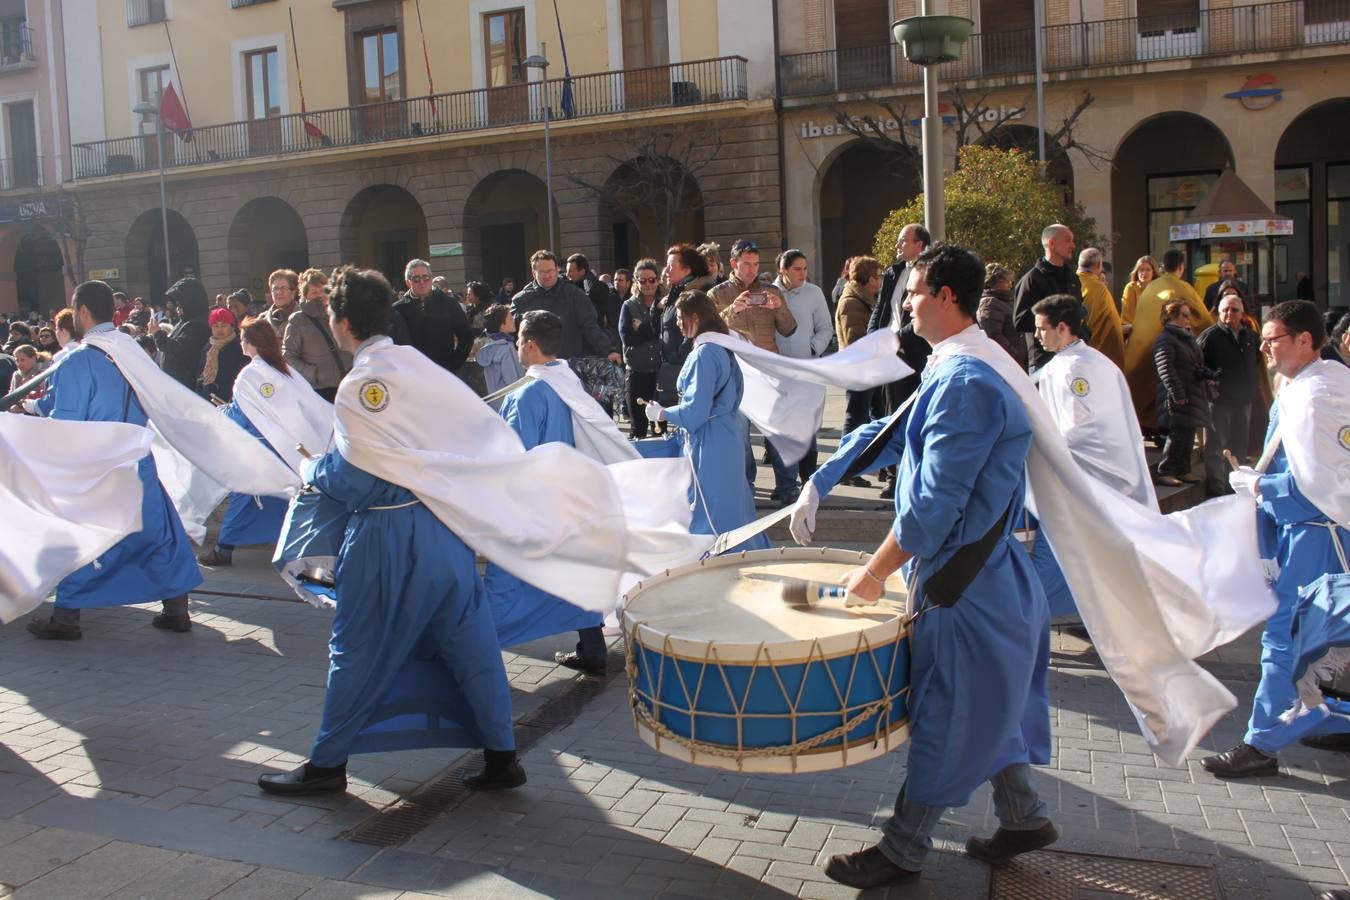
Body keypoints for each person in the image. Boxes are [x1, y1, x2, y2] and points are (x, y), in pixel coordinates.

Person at [818, 244, 1054, 888]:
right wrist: (827, 473)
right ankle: (1025, 818)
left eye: (915, 293)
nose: (906, 305)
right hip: (992, 582)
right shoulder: (971, 366)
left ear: (948, 296)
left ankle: (903, 850)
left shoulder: (965, 382)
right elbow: (896, 433)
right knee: (986, 706)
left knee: (946, 716)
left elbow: (930, 513)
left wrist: (874, 573)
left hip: (966, 589)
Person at [257, 266, 523, 796]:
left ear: (342, 321)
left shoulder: (360, 384)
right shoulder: (420, 368)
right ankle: (502, 756)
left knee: (355, 647)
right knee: (471, 645)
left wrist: (312, 469)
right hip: (443, 530)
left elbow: (354, 480)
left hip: (385, 535)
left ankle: (328, 765)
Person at [1201, 301, 1350, 778]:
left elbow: (1318, 485)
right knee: (1321, 639)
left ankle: (1262, 742)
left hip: (1317, 535)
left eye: (1273, 338)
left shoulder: (1312, 395)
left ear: (1305, 340)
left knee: (1286, 640)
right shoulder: (1328, 383)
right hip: (1321, 531)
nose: (1264, 346)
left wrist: (1260, 487)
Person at [25, 281, 201, 640]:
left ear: (83, 312)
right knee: (158, 532)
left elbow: (67, 422)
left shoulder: (79, 358)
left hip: (99, 463)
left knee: (78, 536)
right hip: (137, 456)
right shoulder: (130, 348)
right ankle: (177, 608)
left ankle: (67, 616)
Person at [485, 310, 609, 675]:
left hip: (534, 501)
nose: (517, 345)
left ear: (531, 344)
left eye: (520, 339)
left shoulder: (526, 395)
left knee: (504, 578)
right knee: (574, 571)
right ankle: (592, 646)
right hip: (569, 496)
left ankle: (478, 650)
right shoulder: (568, 380)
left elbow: (515, 454)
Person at [1029, 294, 1157, 621]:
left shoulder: (1076, 369)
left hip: (1089, 480)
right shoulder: (1087, 361)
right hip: (1095, 479)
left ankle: (1029, 615)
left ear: (1062, 327)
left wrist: (1040, 447)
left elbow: (1080, 429)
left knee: (1059, 552)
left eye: (1042, 329)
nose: (1037, 335)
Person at [644, 291, 770, 552]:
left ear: (696, 318)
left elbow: (694, 413)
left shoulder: (705, 353)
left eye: (680, 318)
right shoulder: (721, 347)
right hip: (726, 436)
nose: (677, 323)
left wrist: (662, 413)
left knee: (711, 512)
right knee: (735, 509)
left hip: (710, 442)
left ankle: (715, 564)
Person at [198, 316, 320, 567]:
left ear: (251, 343)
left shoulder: (251, 373)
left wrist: (220, 413)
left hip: (259, 449)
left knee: (244, 495)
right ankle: (292, 547)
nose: (241, 343)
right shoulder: (283, 370)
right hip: (284, 447)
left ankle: (224, 549)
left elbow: (241, 415)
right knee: (283, 500)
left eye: (243, 339)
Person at [1123, 249, 1214, 429]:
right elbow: (1203, 320)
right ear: (1181, 267)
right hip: (1161, 350)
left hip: (1135, 352)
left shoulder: (1152, 286)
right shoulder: (1182, 287)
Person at [774, 249, 833, 482]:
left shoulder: (814, 293)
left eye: (805, 268)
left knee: (807, 427)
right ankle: (785, 483)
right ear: (783, 270)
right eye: (797, 269)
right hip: (776, 370)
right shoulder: (768, 292)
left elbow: (826, 328)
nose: (803, 273)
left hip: (807, 370)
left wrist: (812, 349)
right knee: (781, 428)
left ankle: (809, 478)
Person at [1198, 294, 1261, 497]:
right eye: (1225, 309)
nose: (1229, 314)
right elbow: (1197, 366)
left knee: (1239, 445)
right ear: (1218, 311)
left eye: (1234, 310)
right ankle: (1216, 487)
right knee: (1216, 445)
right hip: (1219, 401)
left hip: (1244, 400)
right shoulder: (1210, 336)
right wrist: (1212, 382)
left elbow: (1257, 364)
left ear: (1241, 313)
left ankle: (1237, 485)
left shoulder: (1250, 336)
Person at [511, 251, 619, 364]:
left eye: (550, 271)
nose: (547, 275)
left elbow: (590, 327)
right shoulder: (521, 300)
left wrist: (608, 351)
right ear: (534, 273)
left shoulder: (575, 295)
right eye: (542, 272)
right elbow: (512, 334)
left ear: (557, 270)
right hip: (535, 368)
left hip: (568, 364)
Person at [1151, 300, 1212, 487]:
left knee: (1188, 432)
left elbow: (1193, 363)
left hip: (1191, 390)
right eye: (1184, 315)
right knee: (1178, 433)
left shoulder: (1186, 337)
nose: (1188, 319)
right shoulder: (1166, 338)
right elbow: (1165, 369)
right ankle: (1165, 470)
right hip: (1177, 394)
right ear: (1172, 317)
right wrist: (1178, 393)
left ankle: (1183, 469)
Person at [1012, 224, 1082, 371]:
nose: (1073, 246)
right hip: (1044, 361)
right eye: (1068, 240)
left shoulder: (1072, 278)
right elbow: (1020, 320)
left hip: (1074, 358)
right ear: (1051, 243)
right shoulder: (1032, 279)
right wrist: (1053, 321)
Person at [389, 259, 474, 374]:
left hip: (445, 371)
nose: (422, 282)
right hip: (412, 374)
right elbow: (392, 344)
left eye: (426, 277)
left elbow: (466, 336)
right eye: (416, 279)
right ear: (408, 282)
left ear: (431, 278)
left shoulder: (449, 303)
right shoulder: (398, 309)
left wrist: (454, 364)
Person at [283, 268, 351, 402]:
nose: (320, 295)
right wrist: (313, 374)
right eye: (314, 292)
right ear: (305, 295)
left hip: (349, 383)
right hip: (321, 390)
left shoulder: (340, 313)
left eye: (323, 290)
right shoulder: (298, 320)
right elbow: (288, 355)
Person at [836, 255, 884, 442]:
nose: (880, 279)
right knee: (855, 418)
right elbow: (855, 340)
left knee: (873, 415)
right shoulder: (852, 302)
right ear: (870, 279)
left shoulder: (863, 299)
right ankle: (847, 467)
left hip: (867, 368)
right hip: (858, 369)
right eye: (878, 275)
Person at [619, 259, 666, 439]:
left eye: (651, 280)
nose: (647, 284)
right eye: (642, 280)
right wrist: (653, 329)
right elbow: (627, 338)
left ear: (658, 280)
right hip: (636, 373)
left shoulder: (665, 303)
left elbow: (670, 333)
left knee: (660, 428)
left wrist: (643, 327)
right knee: (637, 428)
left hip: (661, 373)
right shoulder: (629, 306)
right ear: (636, 282)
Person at [160, 277, 213, 391]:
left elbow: (178, 351)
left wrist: (158, 335)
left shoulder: (198, 325)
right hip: (176, 386)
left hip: (186, 387)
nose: (177, 308)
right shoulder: (185, 321)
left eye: (180, 303)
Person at [1076, 248, 1126, 370]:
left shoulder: (1075, 281)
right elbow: (1093, 322)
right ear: (1099, 265)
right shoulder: (1097, 288)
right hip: (1101, 356)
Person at [977, 262, 1026, 369]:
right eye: (1006, 281)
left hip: (1013, 363)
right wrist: (1014, 354)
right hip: (1006, 365)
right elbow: (992, 336)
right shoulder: (989, 303)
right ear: (995, 282)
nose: (1010, 284)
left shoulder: (1001, 302)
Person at [566, 252, 620, 346]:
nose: (567, 274)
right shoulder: (569, 286)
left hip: (593, 341)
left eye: (571, 271)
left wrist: (589, 279)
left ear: (582, 271)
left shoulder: (598, 288)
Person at [196, 307, 247, 404]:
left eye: (223, 326)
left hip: (229, 401)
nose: (219, 330)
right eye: (215, 326)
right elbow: (200, 374)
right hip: (208, 400)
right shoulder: (208, 348)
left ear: (232, 327)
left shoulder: (240, 347)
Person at [476, 304, 525, 394]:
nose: (513, 320)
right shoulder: (506, 350)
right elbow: (513, 383)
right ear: (502, 326)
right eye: (510, 319)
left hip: (495, 402)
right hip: (509, 403)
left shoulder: (490, 346)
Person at [1120, 255, 1157, 338]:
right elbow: (1127, 315)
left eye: (1148, 270)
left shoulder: (1158, 288)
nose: (1144, 273)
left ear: (1153, 272)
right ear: (1137, 271)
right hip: (1135, 333)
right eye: (1141, 270)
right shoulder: (1131, 287)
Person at [261, 269, 301, 335]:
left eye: (284, 288)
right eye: (275, 288)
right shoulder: (262, 320)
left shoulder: (305, 318)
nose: (279, 292)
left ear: (293, 292)